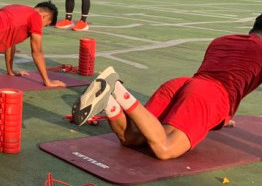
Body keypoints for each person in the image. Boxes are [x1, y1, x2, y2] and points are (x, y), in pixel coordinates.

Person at [72, 14, 262, 160]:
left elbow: (229, 70)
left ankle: (110, 103)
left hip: (182, 84)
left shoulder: (222, 40)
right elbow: (229, 82)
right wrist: (216, 110)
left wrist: (221, 116)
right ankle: (118, 91)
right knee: (165, 148)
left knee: (132, 137)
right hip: (210, 96)